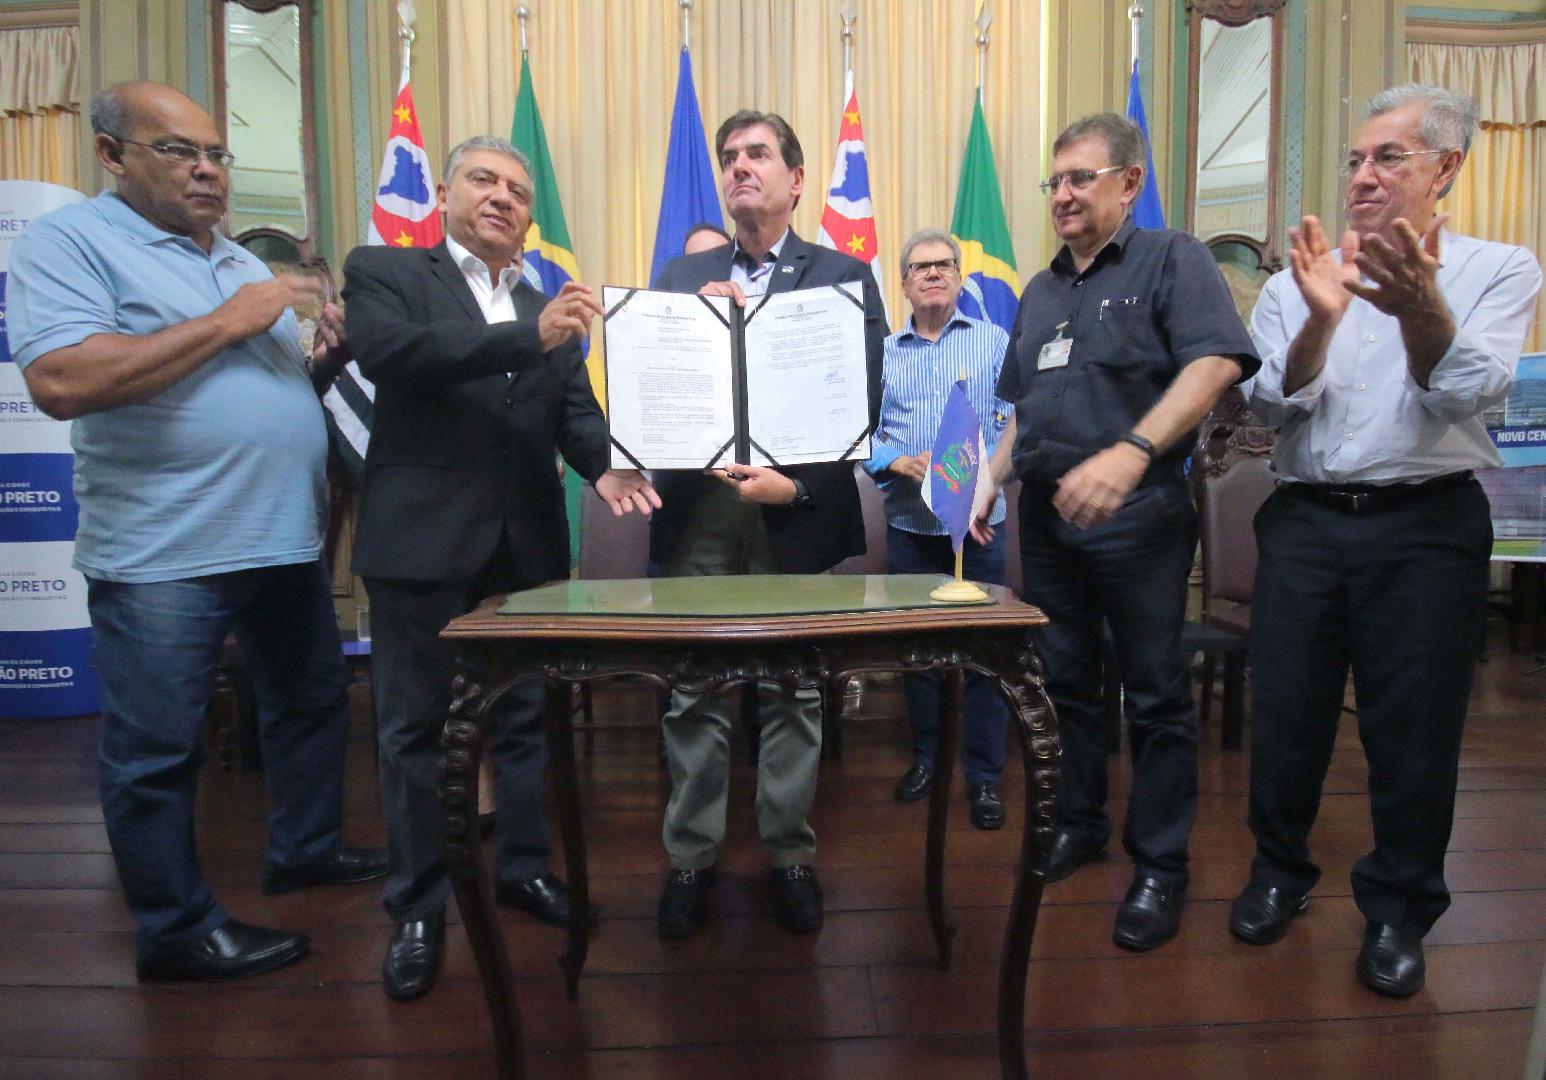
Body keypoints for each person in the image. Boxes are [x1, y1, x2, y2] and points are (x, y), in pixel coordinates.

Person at [6, 81, 386, 983]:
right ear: (111, 156)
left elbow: (261, 373)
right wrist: (227, 323)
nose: (209, 169)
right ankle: (175, 930)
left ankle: (303, 849)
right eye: (180, 151)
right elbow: (60, 378)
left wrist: (318, 354)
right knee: (155, 750)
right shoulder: (69, 242)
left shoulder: (235, 261)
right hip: (165, 553)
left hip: (282, 538)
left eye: (217, 153)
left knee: (307, 705)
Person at [1233, 84, 1542, 997]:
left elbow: (1465, 393)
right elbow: (1267, 406)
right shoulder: (1300, 276)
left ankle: (1402, 912)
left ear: (1445, 167)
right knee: (1285, 717)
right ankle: (1278, 873)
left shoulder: (1500, 266)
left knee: (1415, 736)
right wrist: (1323, 318)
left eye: (1388, 158)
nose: (1363, 175)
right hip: (1304, 523)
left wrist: (1417, 305)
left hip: (1426, 527)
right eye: (1356, 159)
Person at [342, 135, 658, 1001]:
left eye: (518, 191)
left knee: (525, 723)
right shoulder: (386, 271)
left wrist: (606, 468)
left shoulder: (539, 302)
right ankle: (416, 905)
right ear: (445, 192)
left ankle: (523, 868)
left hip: (524, 551)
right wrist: (530, 333)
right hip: (421, 546)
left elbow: (575, 414)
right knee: (413, 731)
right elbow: (396, 357)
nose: (502, 198)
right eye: (484, 180)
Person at [972, 112, 1258, 951]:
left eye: (1079, 178)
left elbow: (1214, 363)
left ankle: (1161, 866)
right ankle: (1080, 823)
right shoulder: (1040, 290)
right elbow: (1025, 407)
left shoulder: (1175, 259)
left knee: (1158, 695)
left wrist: (1132, 454)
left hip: (1139, 519)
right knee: (1065, 682)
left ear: (1129, 183)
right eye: (1054, 181)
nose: (1062, 194)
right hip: (1048, 519)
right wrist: (989, 482)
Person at [648, 110, 885, 939]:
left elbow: (863, 397)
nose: (739, 167)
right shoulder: (682, 278)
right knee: (695, 690)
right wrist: (703, 336)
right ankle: (691, 856)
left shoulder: (846, 276)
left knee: (793, 689)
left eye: (757, 155)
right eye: (728, 157)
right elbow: (654, 390)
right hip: (702, 509)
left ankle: (789, 852)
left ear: (794, 179)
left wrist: (795, 488)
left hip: (794, 506)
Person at [865, 227, 1012, 830]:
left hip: (977, 528)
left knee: (983, 658)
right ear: (902, 283)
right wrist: (894, 459)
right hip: (909, 527)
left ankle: (984, 777)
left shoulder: (995, 342)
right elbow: (858, 432)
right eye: (921, 267)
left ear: (959, 276)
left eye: (945, 264)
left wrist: (988, 487)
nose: (933, 274)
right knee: (919, 656)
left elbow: (1014, 424)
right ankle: (926, 758)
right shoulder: (885, 351)